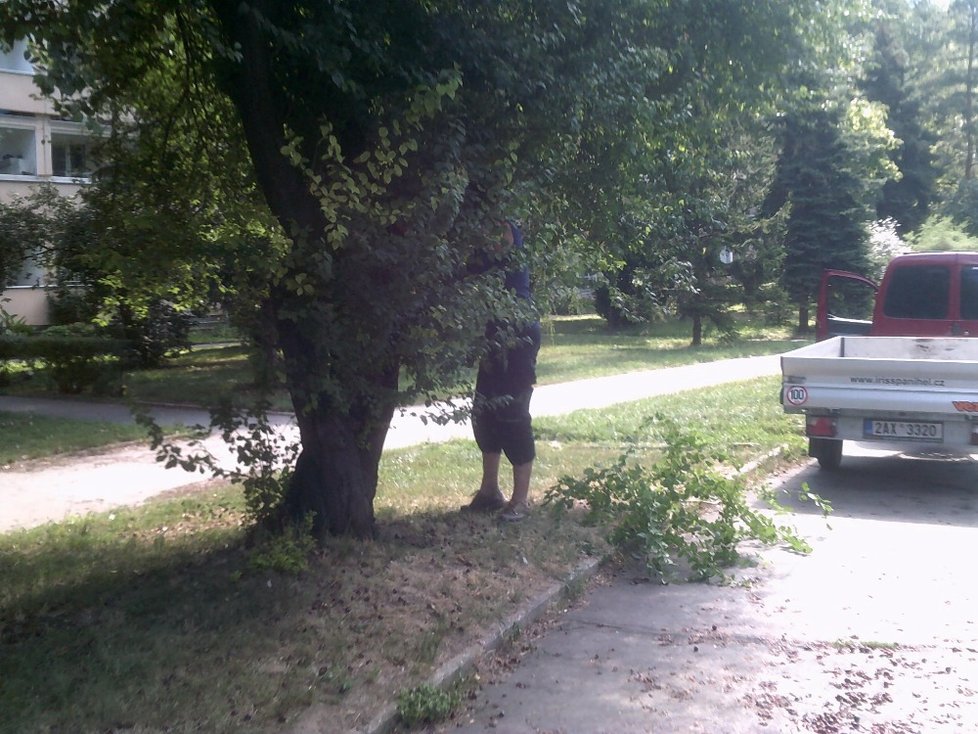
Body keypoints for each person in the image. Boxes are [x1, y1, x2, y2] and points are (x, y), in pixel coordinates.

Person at [463, 220, 541, 521]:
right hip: (495, 332)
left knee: (513, 413)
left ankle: (520, 500)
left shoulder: (502, 226)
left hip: (518, 331)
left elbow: (497, 249)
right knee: (483, 411)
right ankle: (489, 492)